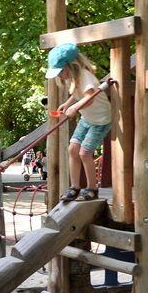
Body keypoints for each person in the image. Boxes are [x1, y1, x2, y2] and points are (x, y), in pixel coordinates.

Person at [46, 43, 111, 202]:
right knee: (72, 149)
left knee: (85, 153)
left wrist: (74, 108)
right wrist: (67, 104)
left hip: (100, 120)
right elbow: (77, 94)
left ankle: (92, 188)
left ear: (71, 66)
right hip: (87, 119)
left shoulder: (85, 76)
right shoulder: (72, 77)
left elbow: (90, 98)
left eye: (60, 72)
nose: (59, 76)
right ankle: (75, 187)